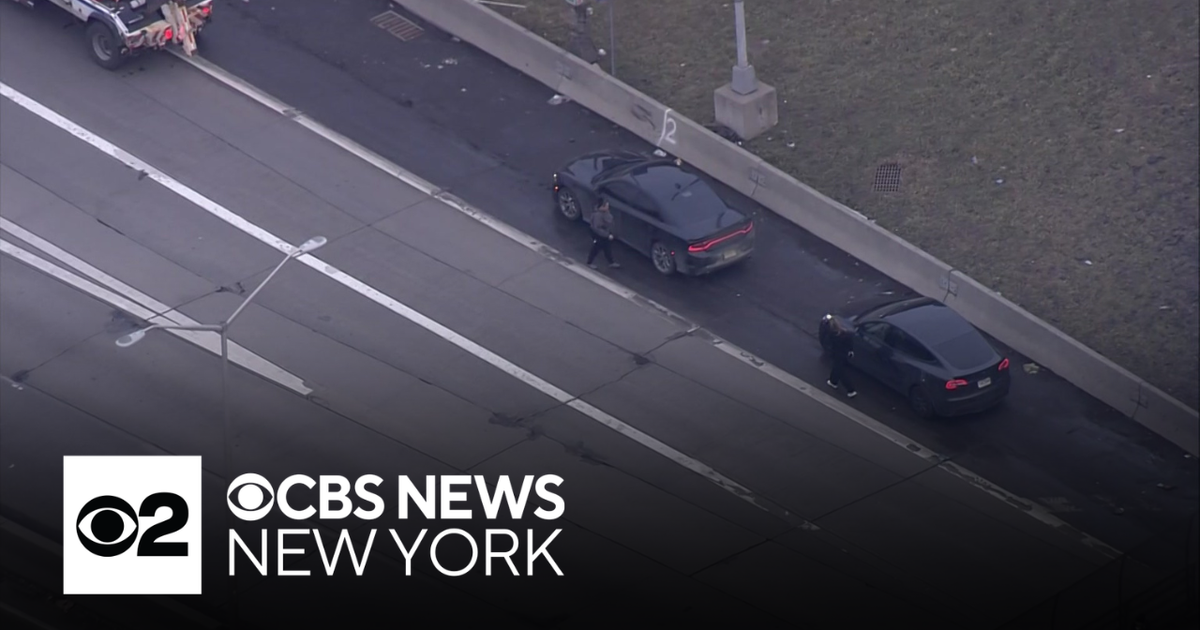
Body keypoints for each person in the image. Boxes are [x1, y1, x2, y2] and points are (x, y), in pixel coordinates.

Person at [826, 317, 857, 398]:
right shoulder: (845, 333)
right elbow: (849, 343)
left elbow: (830, 344)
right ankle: (833, 381)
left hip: (837, 354)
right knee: (837, 368)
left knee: (840, 371)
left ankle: (851, 390)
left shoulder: (833, 335)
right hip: (844, 354)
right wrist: (850, 350)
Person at [586, 200, 620, 269]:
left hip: (605, 235)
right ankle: (589, 262)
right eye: (606, 205)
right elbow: (597, 228)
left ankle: (611, 262)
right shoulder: (597, 215)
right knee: (595, 249)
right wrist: (608, 235)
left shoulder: (605, 212)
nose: (608, 207)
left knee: (607, 248)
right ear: (601, 207)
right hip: (599, 236)